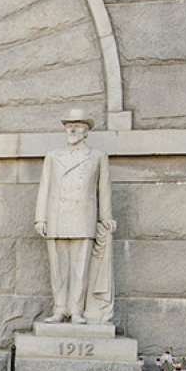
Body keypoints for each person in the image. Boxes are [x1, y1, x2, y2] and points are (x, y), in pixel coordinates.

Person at [34, 108, 115, 325]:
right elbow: (45, 187)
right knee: (58, 268)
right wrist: (40, 218)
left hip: (83, 217)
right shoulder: (53, 156)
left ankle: (76, 310)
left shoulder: (98, 156)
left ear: (86, 131)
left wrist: (106, 218)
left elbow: (103, 190)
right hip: (57, 217)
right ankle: (59, 309)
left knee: (80, 269)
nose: (72, 129)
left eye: (78, 125)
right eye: (69, 125)